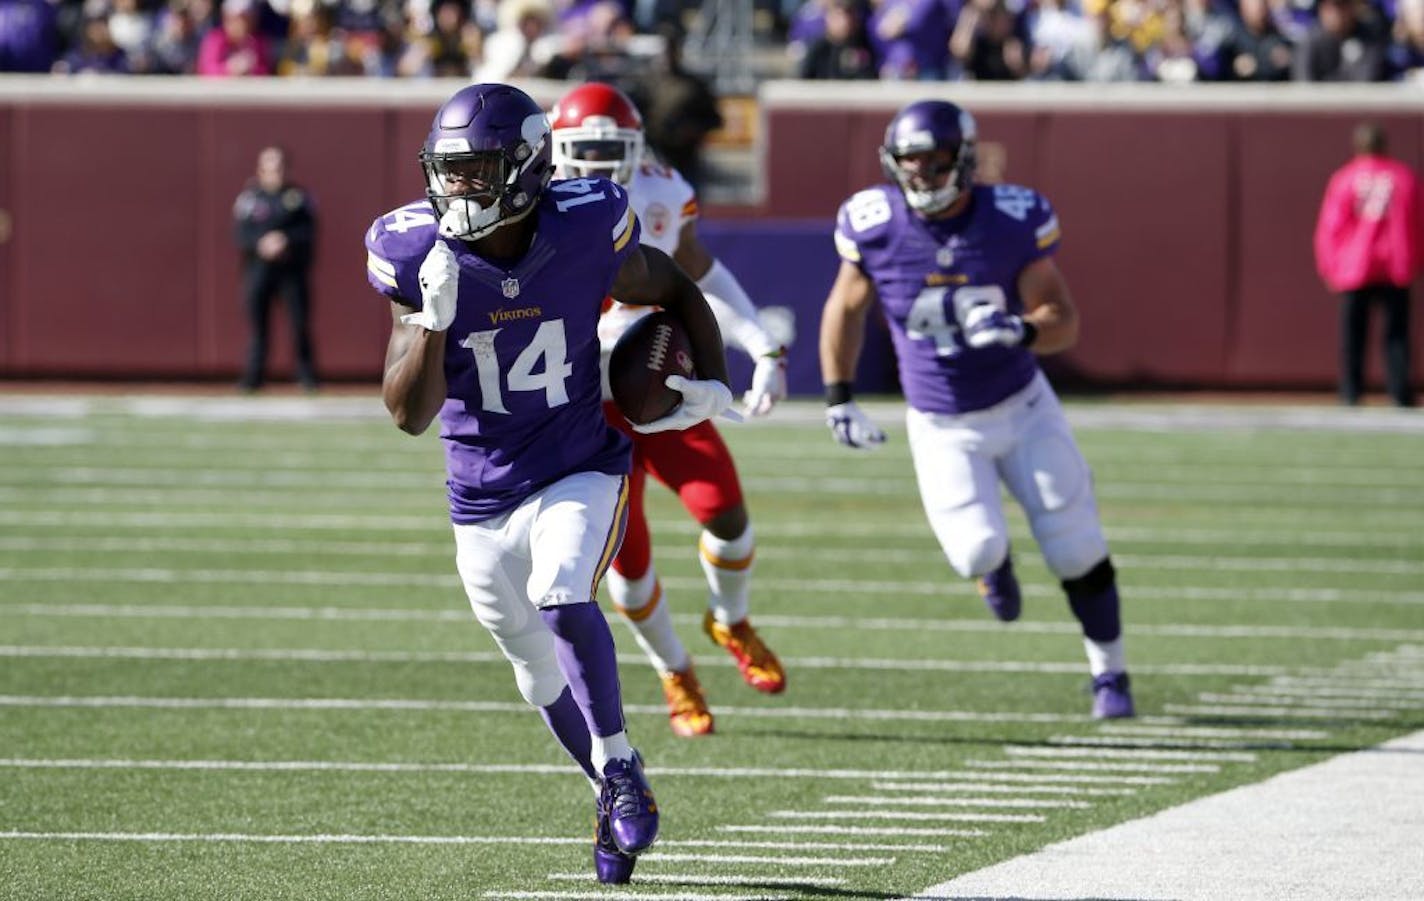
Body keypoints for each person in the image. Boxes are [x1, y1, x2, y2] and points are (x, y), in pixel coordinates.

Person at [365, 83, 736, 884]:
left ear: (529, 167)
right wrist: (429, 323)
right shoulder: (414, 249)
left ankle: (620, 766)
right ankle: (611, 783)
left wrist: (714, 377)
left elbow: (669, 282)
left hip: (578, 465)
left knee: (562, 592)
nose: (458, 190)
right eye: (449, 172)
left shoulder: (583, 224)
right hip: (478, 495)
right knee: (535, 670)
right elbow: (408, 414)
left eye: (479, 171)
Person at [818, 99, 1135, 720]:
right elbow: (844, 309)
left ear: (964, 161)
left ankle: (1111, 674)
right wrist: (839, 396)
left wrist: (1020, 330)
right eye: (911, 164)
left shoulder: (1012, 218)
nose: (922, 178)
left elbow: (1062, 319)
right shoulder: (875, 222)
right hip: (941, 423)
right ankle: (997, 568)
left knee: (1075, 546)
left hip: (1022, 407)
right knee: (975, 551)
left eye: (935, 164)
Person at [549, 81, 789, 738]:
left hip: (661, 388)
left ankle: (730, 618)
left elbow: (700, 274)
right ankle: (675, 670)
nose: (598, 165)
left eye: (611, 150)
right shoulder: (534, 205)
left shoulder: (657, 190)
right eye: (585, 151)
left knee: (729, 516)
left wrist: (762, 344)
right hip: (584, 409)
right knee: (628, 569)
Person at [1314, 121, 1420, 408]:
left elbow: (1330, 227)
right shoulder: (1403, 177)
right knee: (1396, 335)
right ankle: (1399, 393)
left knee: (1353, 334)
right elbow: (1417, 223)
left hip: (1355, 265)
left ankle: (1351, 392)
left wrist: (1329, 265)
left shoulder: (1345, 179)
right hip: (1394, 264)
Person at [233, 145, 319, 392]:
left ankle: (306, 377)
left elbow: (309, 232)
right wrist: (261, 243)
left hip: (291, 271)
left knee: (299, 324)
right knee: (258, 327)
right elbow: (240, 234)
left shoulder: (299, 198)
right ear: (260, 171)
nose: (276, 173)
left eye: (280, 167)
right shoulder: (250, 199)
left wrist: (286, 240)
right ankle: (253, 378)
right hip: (259, 271)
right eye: (270, 168)